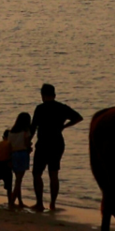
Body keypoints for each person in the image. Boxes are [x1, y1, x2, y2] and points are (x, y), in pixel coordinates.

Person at [29, 83, 84, 213]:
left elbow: (33, 128)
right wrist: (65, 126)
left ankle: (39, 203)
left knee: (37, 173)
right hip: (57, 142)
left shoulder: (40, 108)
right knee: (53, 173)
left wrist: (27, 143)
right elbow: (78, 117)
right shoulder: (61, 108)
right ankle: (52, 204)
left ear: (42, 95)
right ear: (54, 95)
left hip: (43, 143)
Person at [5, 111, 34, 209]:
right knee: (19, 180)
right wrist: (30, 147)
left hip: (13, 155)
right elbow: (26, 144)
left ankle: (19, 201)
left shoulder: (11, 132)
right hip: (22, 154)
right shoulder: (26, 131)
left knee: (17, 180)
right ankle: (12, 202)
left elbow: (9, 146)